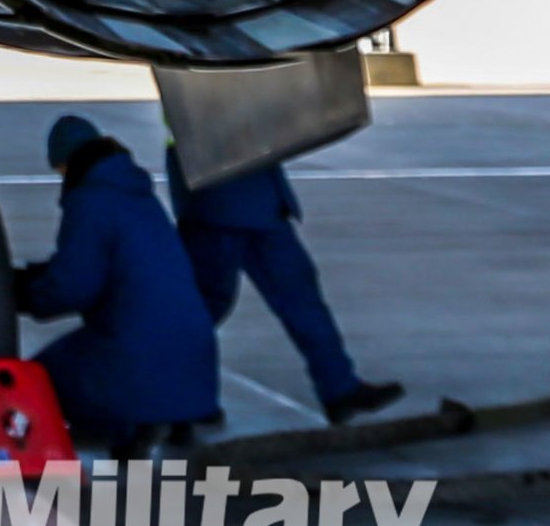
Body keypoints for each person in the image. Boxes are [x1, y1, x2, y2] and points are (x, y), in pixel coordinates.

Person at [17, 115, 218, 454]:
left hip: (139, 361)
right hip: (197, 368)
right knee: (128, 340)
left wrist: (25, 294)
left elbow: (74, 286)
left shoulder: (90, 201)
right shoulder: (140, 197)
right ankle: (162, 418)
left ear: (67, 163)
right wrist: (45, 272)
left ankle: (130, 424)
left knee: (38, 379)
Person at [167, 151, 403, 427]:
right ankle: (178, 402)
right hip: (227, 203)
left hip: (244, 201)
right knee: (207, 310)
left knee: (293, 301)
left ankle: (339, 388)